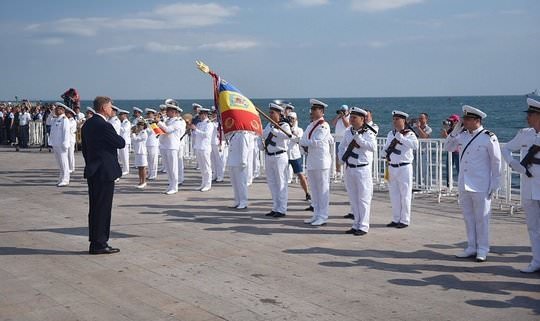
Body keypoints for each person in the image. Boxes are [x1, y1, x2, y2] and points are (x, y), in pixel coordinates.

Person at [445, 105, 501, 262]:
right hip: (464, 183)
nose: (465, 122)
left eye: (468, 120)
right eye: (464, 120)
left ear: (477, 120)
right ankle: (471, 246)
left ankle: (483, 248)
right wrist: (455, 131)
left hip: (481, 184)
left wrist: (495, 183)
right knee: (468, 217)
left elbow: (496, 162)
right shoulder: (462, 136)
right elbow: (448, 147)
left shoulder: (488, 137)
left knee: (482, 218)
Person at [81, 96, 125, 255]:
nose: (112, 109)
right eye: (110, 106)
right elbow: (120, 143)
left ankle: (95, 242)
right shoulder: (104, 125)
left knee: (95, 208)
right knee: (103, 209)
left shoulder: (87, 124)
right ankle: (100, 243)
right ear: (103, 108)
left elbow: (85, 149)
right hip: (104, 172)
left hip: (93, 170)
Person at [501, 98, 540, 273]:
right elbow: (506, 148)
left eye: (531, 114)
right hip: (529, 186)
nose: (527, 118)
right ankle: (537, 260)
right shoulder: (525, 134)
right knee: (532, 226)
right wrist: (512, 163)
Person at [337, 107, 377, 236]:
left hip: (362, 169)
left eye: (354, 118)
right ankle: (356, 224)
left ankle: (363, 226)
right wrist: (341, 158)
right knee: (353, 198)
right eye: (351, 117)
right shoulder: (348, 131)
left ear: (362, 119)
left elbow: (373, 147)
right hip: (350, 168)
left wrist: (359, 139)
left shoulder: (368, 133)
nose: (352, 120)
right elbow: (342, 146)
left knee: (363, 199)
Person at [300, 99, 334, 226]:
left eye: (315, 109)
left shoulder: (324, 126)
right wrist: (303, 142)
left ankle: (323, 216)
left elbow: (316, 141)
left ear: (322, 111)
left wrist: (303, 142)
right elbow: (305, 140)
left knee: (323, 189)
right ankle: (316, 214)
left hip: (321, 162)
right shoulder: (310, 126)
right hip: (312, 161)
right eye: (312, 109)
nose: (312, 112)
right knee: (314, 190)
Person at [382, 110, 419, 228]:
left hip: (404, 167)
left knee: (405, 194)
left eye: (397, 119)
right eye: (394, 119)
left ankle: (405, 220)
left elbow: (415, 145)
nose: (395, 121)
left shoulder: (409, 134)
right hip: (392, 166)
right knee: (394, 194)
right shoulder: (390, 134)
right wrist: (384, 152)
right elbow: (387, 146)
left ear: (404, 121)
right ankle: (396, 218)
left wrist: (402, 138)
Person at [261, 103, 291, 218]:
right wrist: (261, 142)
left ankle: (282, 209)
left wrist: (275, 131)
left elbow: (288, 136)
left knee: (281, 183)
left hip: (280, 156)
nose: (270, 114)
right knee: (272, 183)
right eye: (270, 113)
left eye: (272, 112)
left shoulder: (284, 125)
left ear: (279, 113)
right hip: (269, 156)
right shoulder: (269, 124)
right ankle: (275, 207)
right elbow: (263, 135)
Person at [157, 99, 185, 195]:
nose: (166, 112)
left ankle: (175, 186)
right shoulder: (167, 120)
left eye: (168, 111)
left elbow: (168, 130)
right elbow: (162, 131)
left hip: (172, 146)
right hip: (164, 145)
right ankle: (170, 185)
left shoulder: (177, 122)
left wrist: (159, 123)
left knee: (173, 168)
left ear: (173, 112)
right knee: (168, 168)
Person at [287, 111, 311, 201]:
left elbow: (298, 139)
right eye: (289, 118)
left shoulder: (299, 130)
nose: (290, 120)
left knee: (300, 175)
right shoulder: (284, 128)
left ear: (296, 119)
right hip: (285, 155)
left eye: (292, 119)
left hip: (295, 155)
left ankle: (307, 193)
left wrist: (291, 131)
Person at [227, 130, 253, 209]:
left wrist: (243, 162)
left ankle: (243, 202)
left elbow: (244, 148)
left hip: (239, 162)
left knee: (241, 183)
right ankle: (237, 200)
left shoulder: (243, 134)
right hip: (232, 161)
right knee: (235, 183)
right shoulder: (234, 134)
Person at [190, 107, 213, 192]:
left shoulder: (209, 124)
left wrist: (196, 129)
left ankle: (208, 184)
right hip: (198, 146)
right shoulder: (199, 124)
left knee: (207, 167)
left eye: (201, 114)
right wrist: (193, 130)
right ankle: (203, 183)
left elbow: (206, 135)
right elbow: (196, 134)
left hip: (205, 147)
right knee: (202, 167)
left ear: (205, 114)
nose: (199, 115)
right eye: (199, 114)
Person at [49, 103, 71, 187]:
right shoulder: (55, 119)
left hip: (62, 144)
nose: (56, 110)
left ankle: (66, 179)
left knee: (64, 162)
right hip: (55, 143)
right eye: (56, 109)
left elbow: (66, 132)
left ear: (63, 110)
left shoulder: (64, 119)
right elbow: (48, 121)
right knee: (59, 162)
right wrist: (52, 113)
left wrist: (65, 144)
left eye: (58, 109)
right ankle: (61, 177)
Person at [441, 114, 461, 186]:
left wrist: (446, 136)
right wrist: (445, 132)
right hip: (450, 151)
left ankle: (461, 185)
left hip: (458, 152)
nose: (450, 123)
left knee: (459, 169)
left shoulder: (460, 130)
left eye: (451, 121)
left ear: (456, 122)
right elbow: (446, 140)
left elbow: (453, 140)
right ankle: (448, 185)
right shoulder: (450, 130)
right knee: (448, 168)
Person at [331, 104, 350, 176]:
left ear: (347, 111)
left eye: (344, 111)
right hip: (337, 139)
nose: (342, 112)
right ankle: (338, 171)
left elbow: (347, 125)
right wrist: (338, 116)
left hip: (345, 139)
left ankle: (346, 171)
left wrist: (343, 117)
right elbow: (333, 124)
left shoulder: (349, 117)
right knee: (337, 155)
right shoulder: (339, 118)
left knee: (346, 155)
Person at [210, 107, 225, 182]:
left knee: (219, 160)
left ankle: (220, 176)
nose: (213, 115)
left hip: (219, 143)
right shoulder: (210, 123)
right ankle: (215, 174)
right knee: (213, 160)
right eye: (213, 114)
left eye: (215, 114)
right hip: (211, 143)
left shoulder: (221, 123)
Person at [131, 121, 148, 189]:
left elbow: (136, 139)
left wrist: (133, 133)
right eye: (138, 125)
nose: (139, 126)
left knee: (143, 167)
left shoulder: (144, 133)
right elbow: (133, 140)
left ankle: (144, 182)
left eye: (141, 125)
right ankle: (140, 181)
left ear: (144, 126)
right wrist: (134, 133)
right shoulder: (139, 133)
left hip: (142, 152)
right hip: (138, 152)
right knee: (139, 168)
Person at [144, 108, 160, 180]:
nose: (148, 115)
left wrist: (146, 126)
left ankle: (153, 174)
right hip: (147, 143)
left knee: (153, 160)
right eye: (147, 114)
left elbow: (155, 132)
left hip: (153, 143)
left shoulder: (155, 122)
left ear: (153, 115)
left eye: (149, 114)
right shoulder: (147, 122)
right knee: (149, 160)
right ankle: (150, 173)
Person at [118, 109, 131, 176]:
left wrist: (118, 125)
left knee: (125, 156)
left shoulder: (127, 123)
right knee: (122, 156)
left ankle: (126, 169)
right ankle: (124, 168)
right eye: (119, 115)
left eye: (121, 115)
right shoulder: (122, 122)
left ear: (125, 115)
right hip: (121, 141)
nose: (119, 116)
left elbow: (124, 130)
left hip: (125, 142)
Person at [64, 106, 77, 173]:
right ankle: (68, 167)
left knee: (70, 154)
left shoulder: (72, 121)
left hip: (71, 140)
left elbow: (67, 127)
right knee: (66, 154)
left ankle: (72, 167)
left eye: (67, 113)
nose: (66, 114)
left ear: (71, 114)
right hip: (67, 139)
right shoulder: (67, 120)